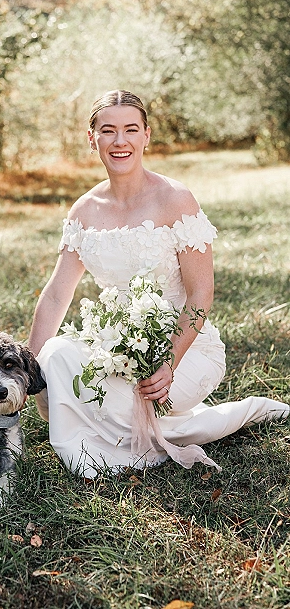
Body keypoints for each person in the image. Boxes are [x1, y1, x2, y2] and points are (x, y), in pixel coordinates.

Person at [28, 90, 288, 477]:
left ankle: (165, 428)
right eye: (109, 130)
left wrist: (168, 361)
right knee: (56, 356)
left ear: (146, 135)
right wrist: (23, 370)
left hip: (187, 352)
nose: (120, 141)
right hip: (115, 349)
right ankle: (124, 427)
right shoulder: (84, 211)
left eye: (131, 129)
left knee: (116, 399)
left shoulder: (176, 200)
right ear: (92, 137)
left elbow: (201, 292)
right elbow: (55, 296)